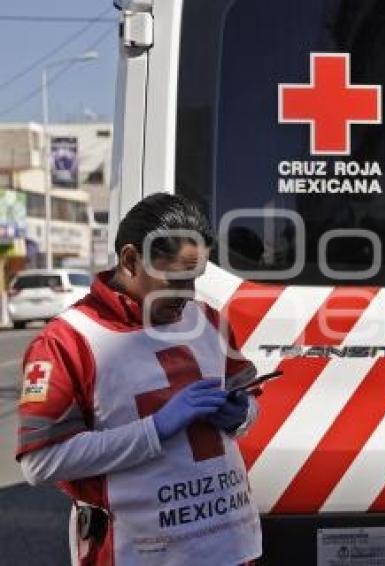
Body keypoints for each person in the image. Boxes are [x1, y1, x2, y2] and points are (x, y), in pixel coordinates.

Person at [16, 193, 263, 565]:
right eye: (176, 279)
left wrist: (241, 414)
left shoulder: (208, 321)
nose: (187, 295)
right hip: (135, 553)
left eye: (194, 279)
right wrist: (155, 429)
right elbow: (41, 463)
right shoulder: (67, 341)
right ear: (131, 260)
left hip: (228, 547)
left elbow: (250, 401)